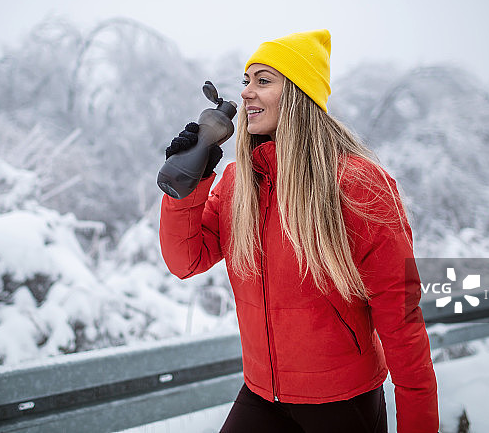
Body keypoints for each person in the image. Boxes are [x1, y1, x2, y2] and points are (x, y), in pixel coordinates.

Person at [159, 30, 439, 433]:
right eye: (246, 81)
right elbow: (184, 261)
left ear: (298, 94)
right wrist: (191, 182)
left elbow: (402, 318)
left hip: (343, 403)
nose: (246, 94)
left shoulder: (358, 185)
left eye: (264, 81)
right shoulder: (239, 182)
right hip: (262, 394)